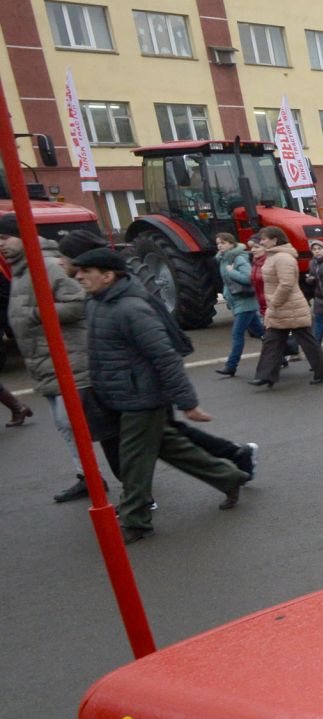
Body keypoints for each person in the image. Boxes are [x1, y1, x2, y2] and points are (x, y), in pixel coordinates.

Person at [73, 246, 247, 543]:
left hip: (142, 396)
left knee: (133, 460)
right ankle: (228, 477)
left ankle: (136, 521)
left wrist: (188, 403)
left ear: (108, 275)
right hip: (120, 394)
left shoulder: (131, 308)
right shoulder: (97, 303)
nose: (79, 277)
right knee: (170, 447)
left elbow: (164, 357)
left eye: (85, 272)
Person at [3, 215, 86, 498]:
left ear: (23, 236)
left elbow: (77, 304)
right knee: (64, 425)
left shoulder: (47, 266)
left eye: (4, 238)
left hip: (68, 358)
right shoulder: (21, 270)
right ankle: (87, 476)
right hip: (44, 361)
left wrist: (37, 315)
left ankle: (122, 478)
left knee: (73, 423)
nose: (0, 245)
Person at [249, 228, 323, 387]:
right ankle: (266, 375)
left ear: (275, 240)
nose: (262, 242)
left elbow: (286, 284)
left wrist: (274, 302)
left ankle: (322, 372)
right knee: (271, 342)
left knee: (307, 342)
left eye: (264, 239)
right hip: (280, 307)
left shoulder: (283, 258)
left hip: (290, 306)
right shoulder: (273, 256)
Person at [211, 232, 264, 377]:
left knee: (237, 333)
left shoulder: (238, 258)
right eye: (218, 243)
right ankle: (281, 353)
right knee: (261, 332)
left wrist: (232, 272)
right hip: (237, 300)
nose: (220, 246)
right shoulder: (223, 259)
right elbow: (227, 283)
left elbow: (249, 278)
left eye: (223, 243)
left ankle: (231, 365)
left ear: (231, 243)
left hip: (245, 300)